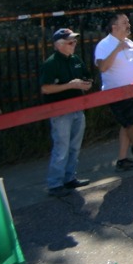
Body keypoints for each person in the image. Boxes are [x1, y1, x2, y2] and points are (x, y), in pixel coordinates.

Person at [93, 12, 133, 171]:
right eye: (125, 22)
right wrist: (117, 49)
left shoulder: (131, 43)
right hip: (117, 92)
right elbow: (103, 67)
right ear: (114, 26)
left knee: (129, 125)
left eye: (128, 22)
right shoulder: (104, 45)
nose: (128, 25)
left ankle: (122, 159)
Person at [39, 28, 92, 195]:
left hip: (77, 108)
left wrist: (86, 83)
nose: (74, 44)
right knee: (61, 148)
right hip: (60, 112)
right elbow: (46, 88)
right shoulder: (51, 63)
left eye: (75, 41)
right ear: (59, 45)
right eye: (70, 42)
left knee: (74, 147)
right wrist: (70, 85)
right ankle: (54, 184)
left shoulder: (75, 59)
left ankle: (70, 178)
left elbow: (87, 76)